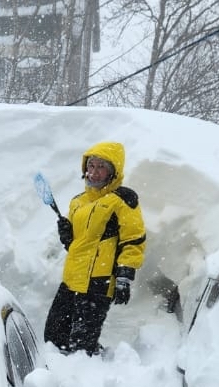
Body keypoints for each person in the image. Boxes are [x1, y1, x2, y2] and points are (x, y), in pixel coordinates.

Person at [43, 140, 146, 355]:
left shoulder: (122, 199)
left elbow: (133, 240)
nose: (94, 172)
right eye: (91, 166)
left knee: (81, 347)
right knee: (54, 338)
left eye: (101, 167)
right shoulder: (77, 202)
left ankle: (90, 377)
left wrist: (125, 276)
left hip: (98, 282)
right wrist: (67, 235)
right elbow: (78, 245)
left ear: (113, 172)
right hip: (72, 279)